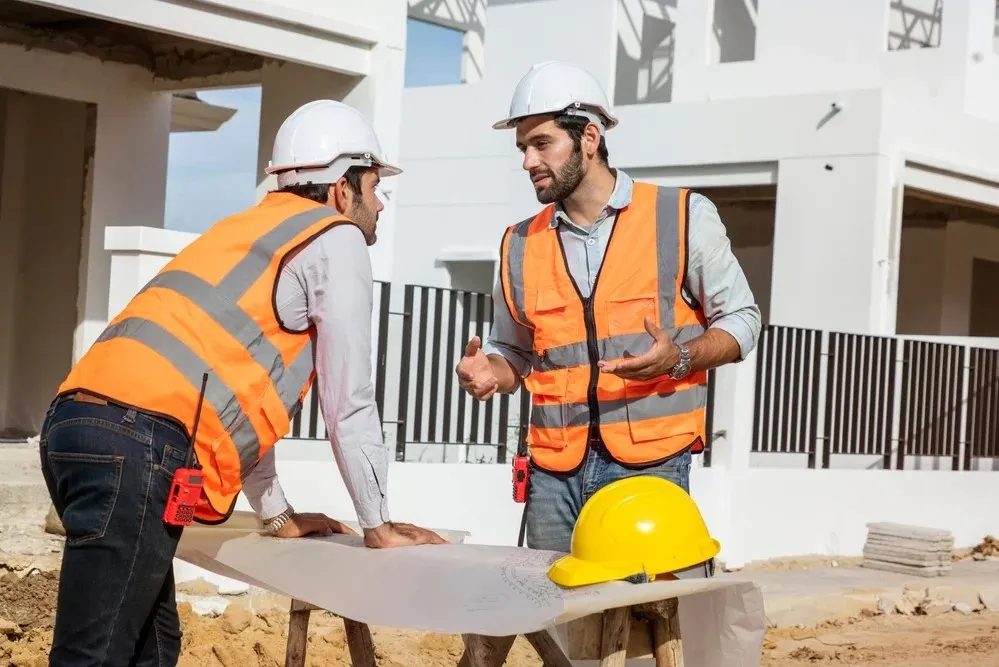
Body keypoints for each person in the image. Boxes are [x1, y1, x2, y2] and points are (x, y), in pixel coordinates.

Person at [39, 99, 445, 667]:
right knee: (98, 656)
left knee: (151, 649)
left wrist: (277, 514)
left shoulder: (243, 230)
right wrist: (378, 526)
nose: (380, 203)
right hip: (139, 443)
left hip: (75, 428)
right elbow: (349, 402)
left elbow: (237, 400)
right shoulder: (336, 236)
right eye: (375, 185)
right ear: (341, 186)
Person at [455, 62, 761, 574]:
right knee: (559, 625)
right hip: (554, 471)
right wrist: (492, 370)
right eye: (522, 148)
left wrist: (681, 357)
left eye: (542, 144)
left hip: (650, 465)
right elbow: (515, 351)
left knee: (647, 623)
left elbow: (743, 320)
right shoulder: (518, 243)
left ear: (589, 138)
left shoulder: (680, 215)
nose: (528, 160)